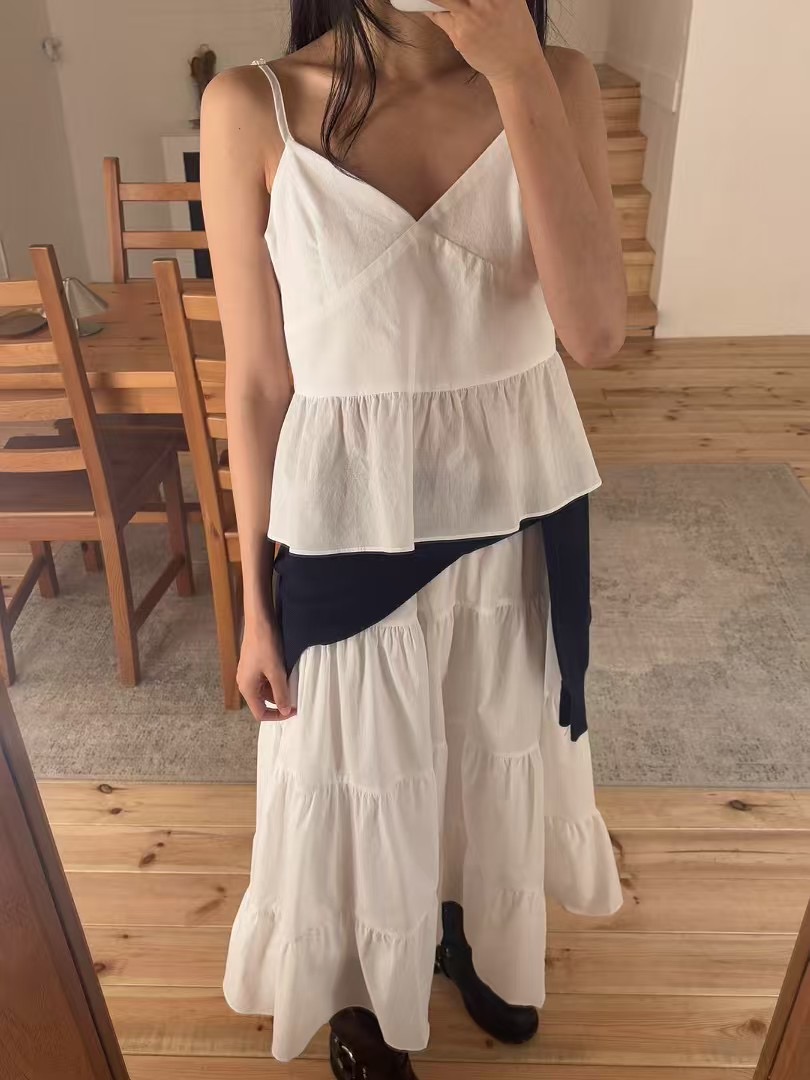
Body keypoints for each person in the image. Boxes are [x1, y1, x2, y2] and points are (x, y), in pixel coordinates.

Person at [200, 0, 626, 1074]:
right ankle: (359, 993)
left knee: (487, 751)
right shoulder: (252, 104)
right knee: (356, 777)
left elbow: (594, 333)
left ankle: (472, 930)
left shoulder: (559, 79)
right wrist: (253, 608)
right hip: (346, 527)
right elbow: (255, 385)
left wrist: (517, 71)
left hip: (513, 526)